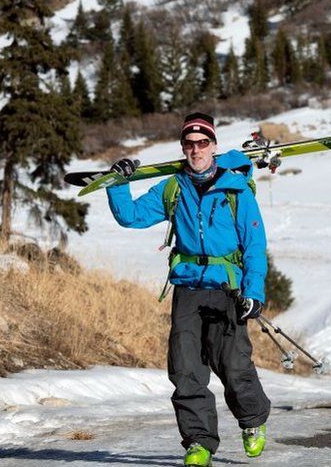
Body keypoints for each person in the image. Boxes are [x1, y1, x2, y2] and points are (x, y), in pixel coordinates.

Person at [107, 112, 270, 466]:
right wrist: (118, 184)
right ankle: (198, 442)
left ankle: (253, 421)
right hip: (187, 287)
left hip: (228, 286)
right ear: (183, 148)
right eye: (189, 144)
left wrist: (254, 290)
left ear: (213, 146)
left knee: (232, 363)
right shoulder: (172, 187)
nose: (196, 150)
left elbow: (255, 243)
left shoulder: (236, 189)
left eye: (202, 143)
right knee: (185, 368)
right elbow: (131, 216)